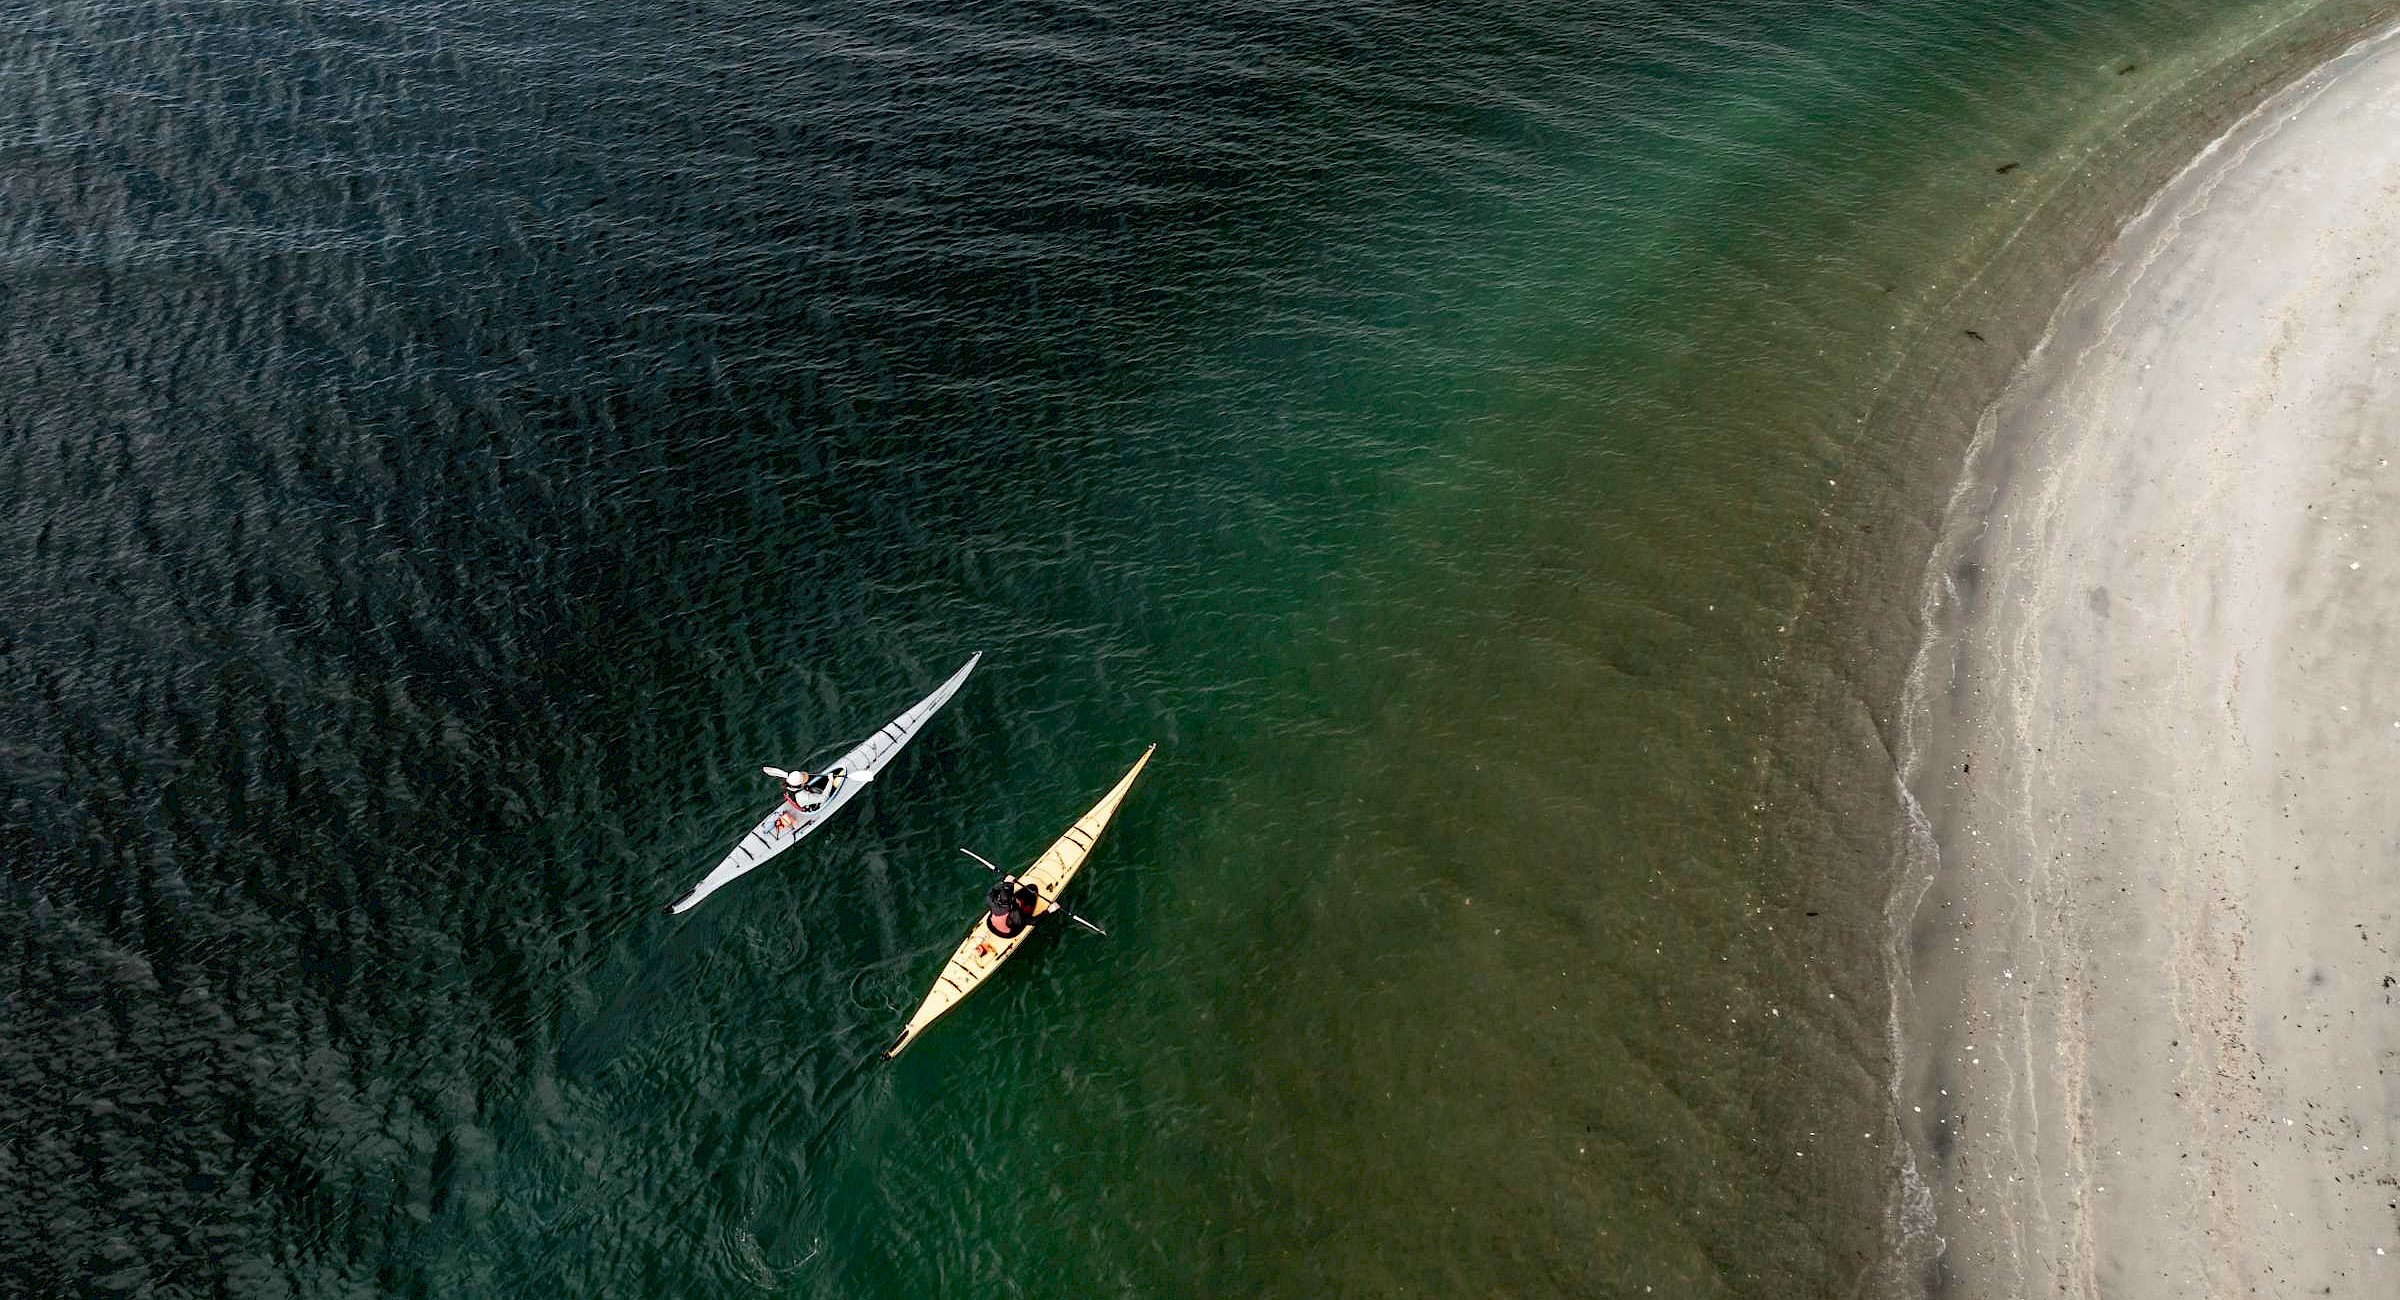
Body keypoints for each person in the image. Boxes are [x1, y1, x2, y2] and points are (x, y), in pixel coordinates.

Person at [763, 765, 834, 810]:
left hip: (804, 797)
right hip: (812, 804)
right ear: (800, 785)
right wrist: (830, 781)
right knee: (826, 798)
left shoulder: (790, 780)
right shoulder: (804, 796)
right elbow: (824, 797)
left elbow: (775, 771)